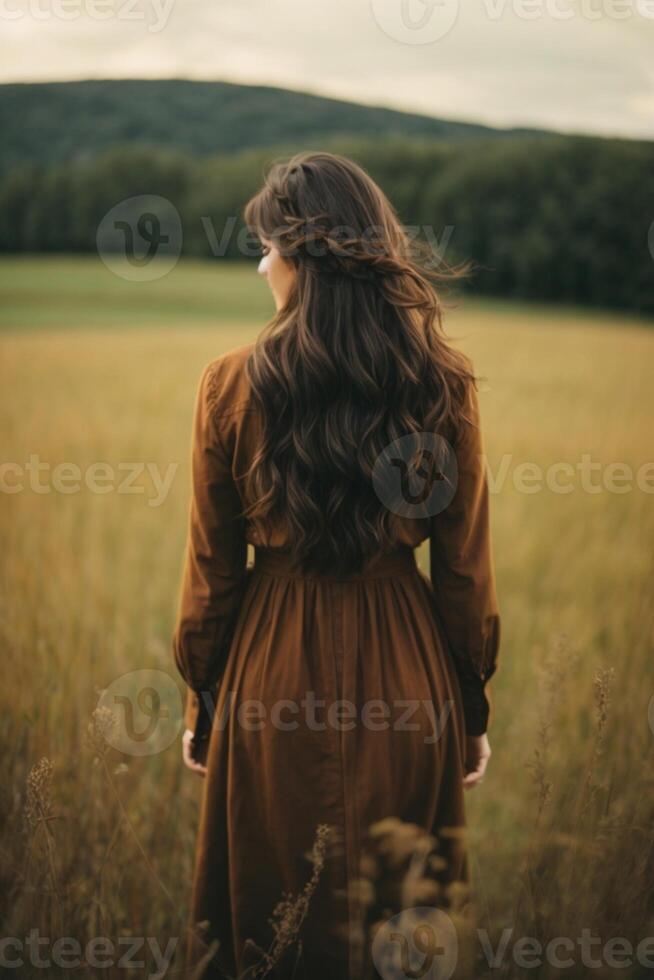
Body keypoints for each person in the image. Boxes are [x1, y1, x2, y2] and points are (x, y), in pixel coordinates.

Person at [171, 151, 501, 979]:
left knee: (271, 922)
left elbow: (212, 575)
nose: (261, 265)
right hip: (409, 672)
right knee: (400, 928)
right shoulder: (442, 384)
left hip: (267, 674)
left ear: (302, 258)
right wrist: (469, 705)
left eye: (268, 247)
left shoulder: (228, 386)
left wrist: (202, 700)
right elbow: (462, 573)